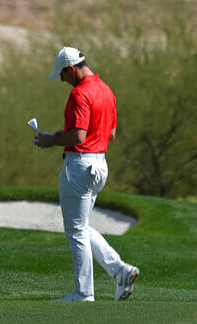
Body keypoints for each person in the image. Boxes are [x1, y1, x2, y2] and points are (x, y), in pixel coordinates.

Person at [33, 45, 140, 302]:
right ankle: (120, 270)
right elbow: (110, 134)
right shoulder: (106, 90)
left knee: (76, 231)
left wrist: (51, 139)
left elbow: (78, 135)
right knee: (81, 226)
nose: (61, 79)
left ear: (71, 69)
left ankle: (83, 293)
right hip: (100, 165)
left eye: (62, 74)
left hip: (79, 165)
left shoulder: (80, 94)